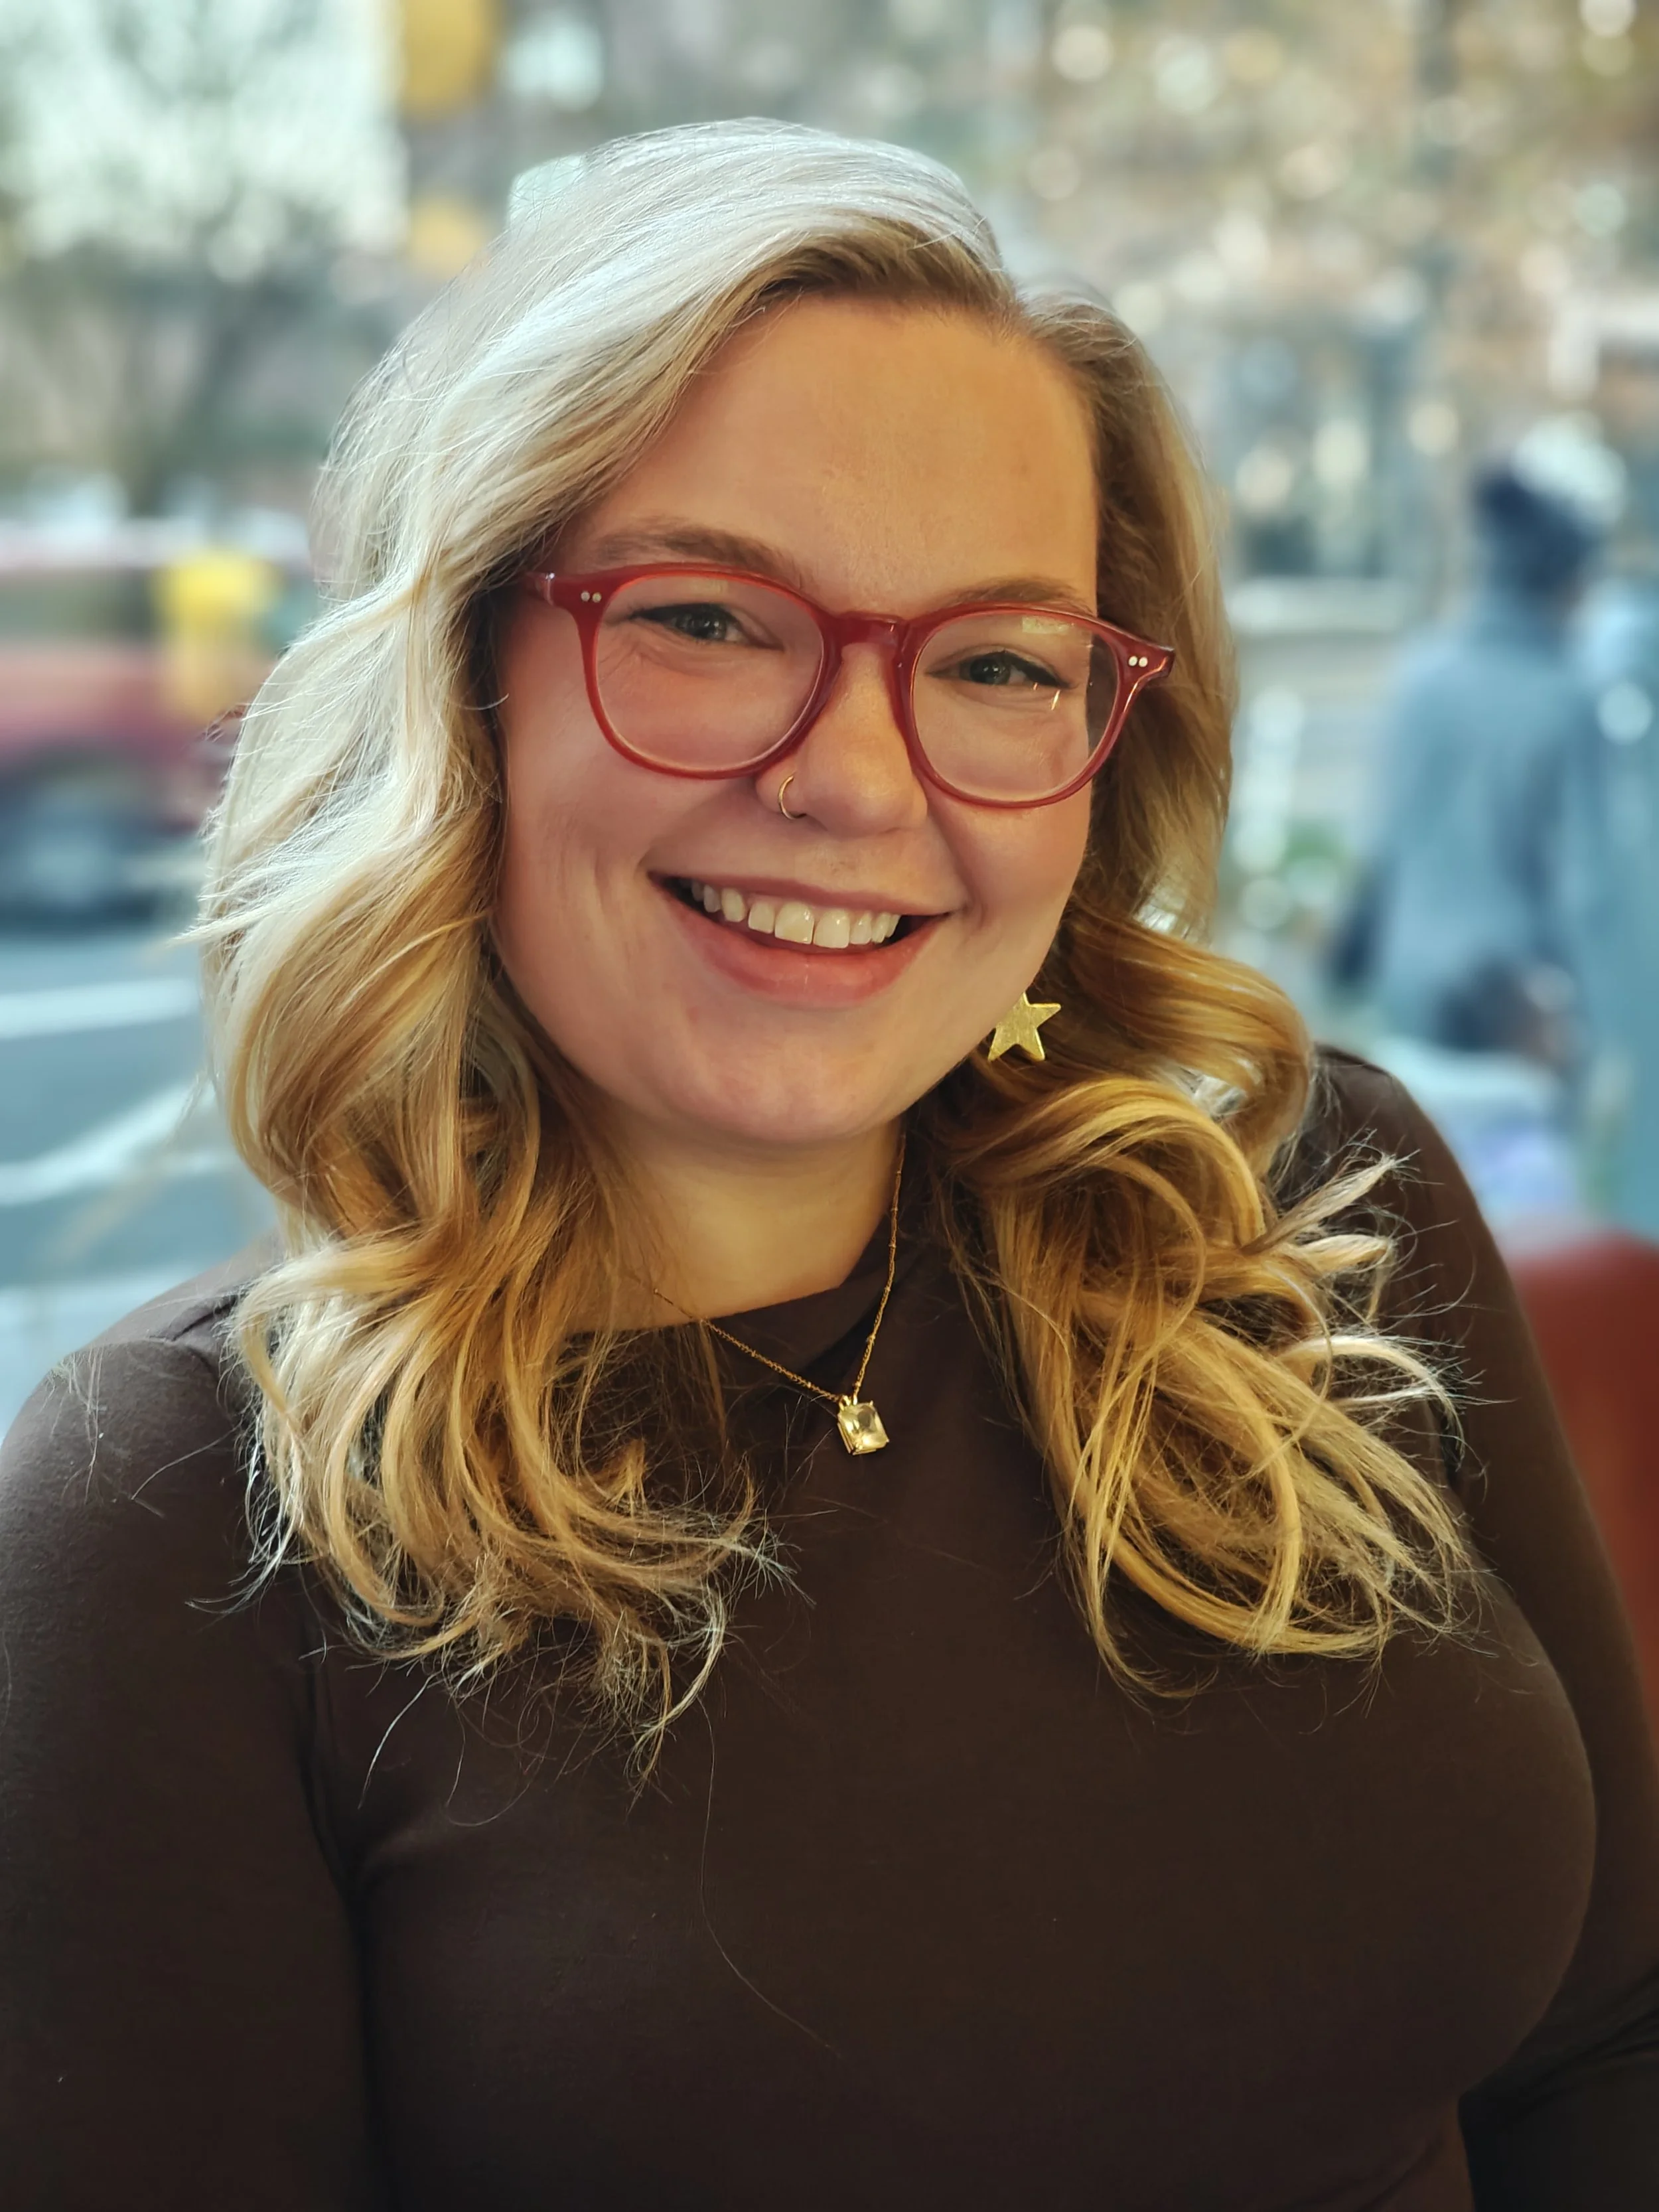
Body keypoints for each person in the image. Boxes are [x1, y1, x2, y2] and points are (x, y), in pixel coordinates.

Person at [1, 121, 1654, 2210]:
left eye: (991, 662)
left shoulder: (1313, 1200)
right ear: (468, 682)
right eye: (708, 619)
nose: (856, 780)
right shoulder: (169, 1523)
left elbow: (1608, 2041)